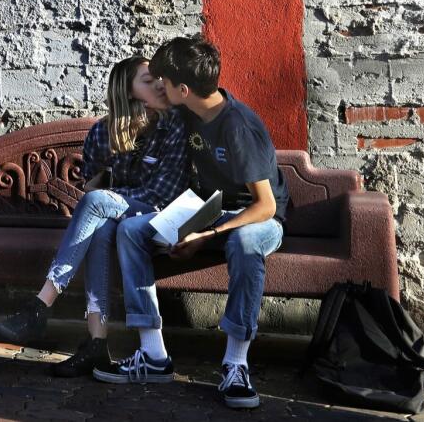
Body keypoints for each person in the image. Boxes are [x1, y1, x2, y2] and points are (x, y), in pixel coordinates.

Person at [93, 35, 289, 410]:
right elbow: (148, 100)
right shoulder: (188, 109)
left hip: (257, 217)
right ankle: (152, 355)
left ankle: (236, 363)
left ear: (183, 89)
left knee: (245, 243)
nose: (159, 87)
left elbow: (264, 206)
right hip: (207, 210)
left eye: (163, 82)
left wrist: (205, 234)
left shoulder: (238, 126)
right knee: (132, 230)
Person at [0, 56, 189, 377]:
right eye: (147, 79)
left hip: (161, 216)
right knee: (99, 229)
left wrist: (104, 195)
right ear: (127, 90)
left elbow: (160, 196)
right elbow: (92, 182)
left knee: (97, 204)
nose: (158, 84)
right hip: (119, 216)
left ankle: (40, 305)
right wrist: (104, 182)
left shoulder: (173, 126)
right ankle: (97, 344)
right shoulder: (102, 132)